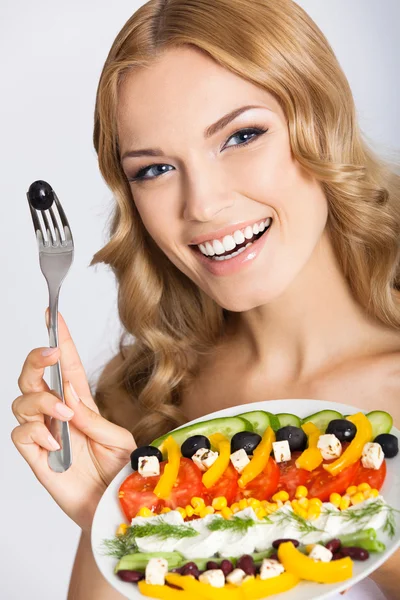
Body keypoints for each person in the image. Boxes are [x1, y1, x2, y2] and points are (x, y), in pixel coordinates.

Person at [11, 0, 400, 598]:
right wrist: (122, 524)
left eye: (242, 136)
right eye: (154, 169)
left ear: (322, 120)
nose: (203, 204)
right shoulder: (148, 401)